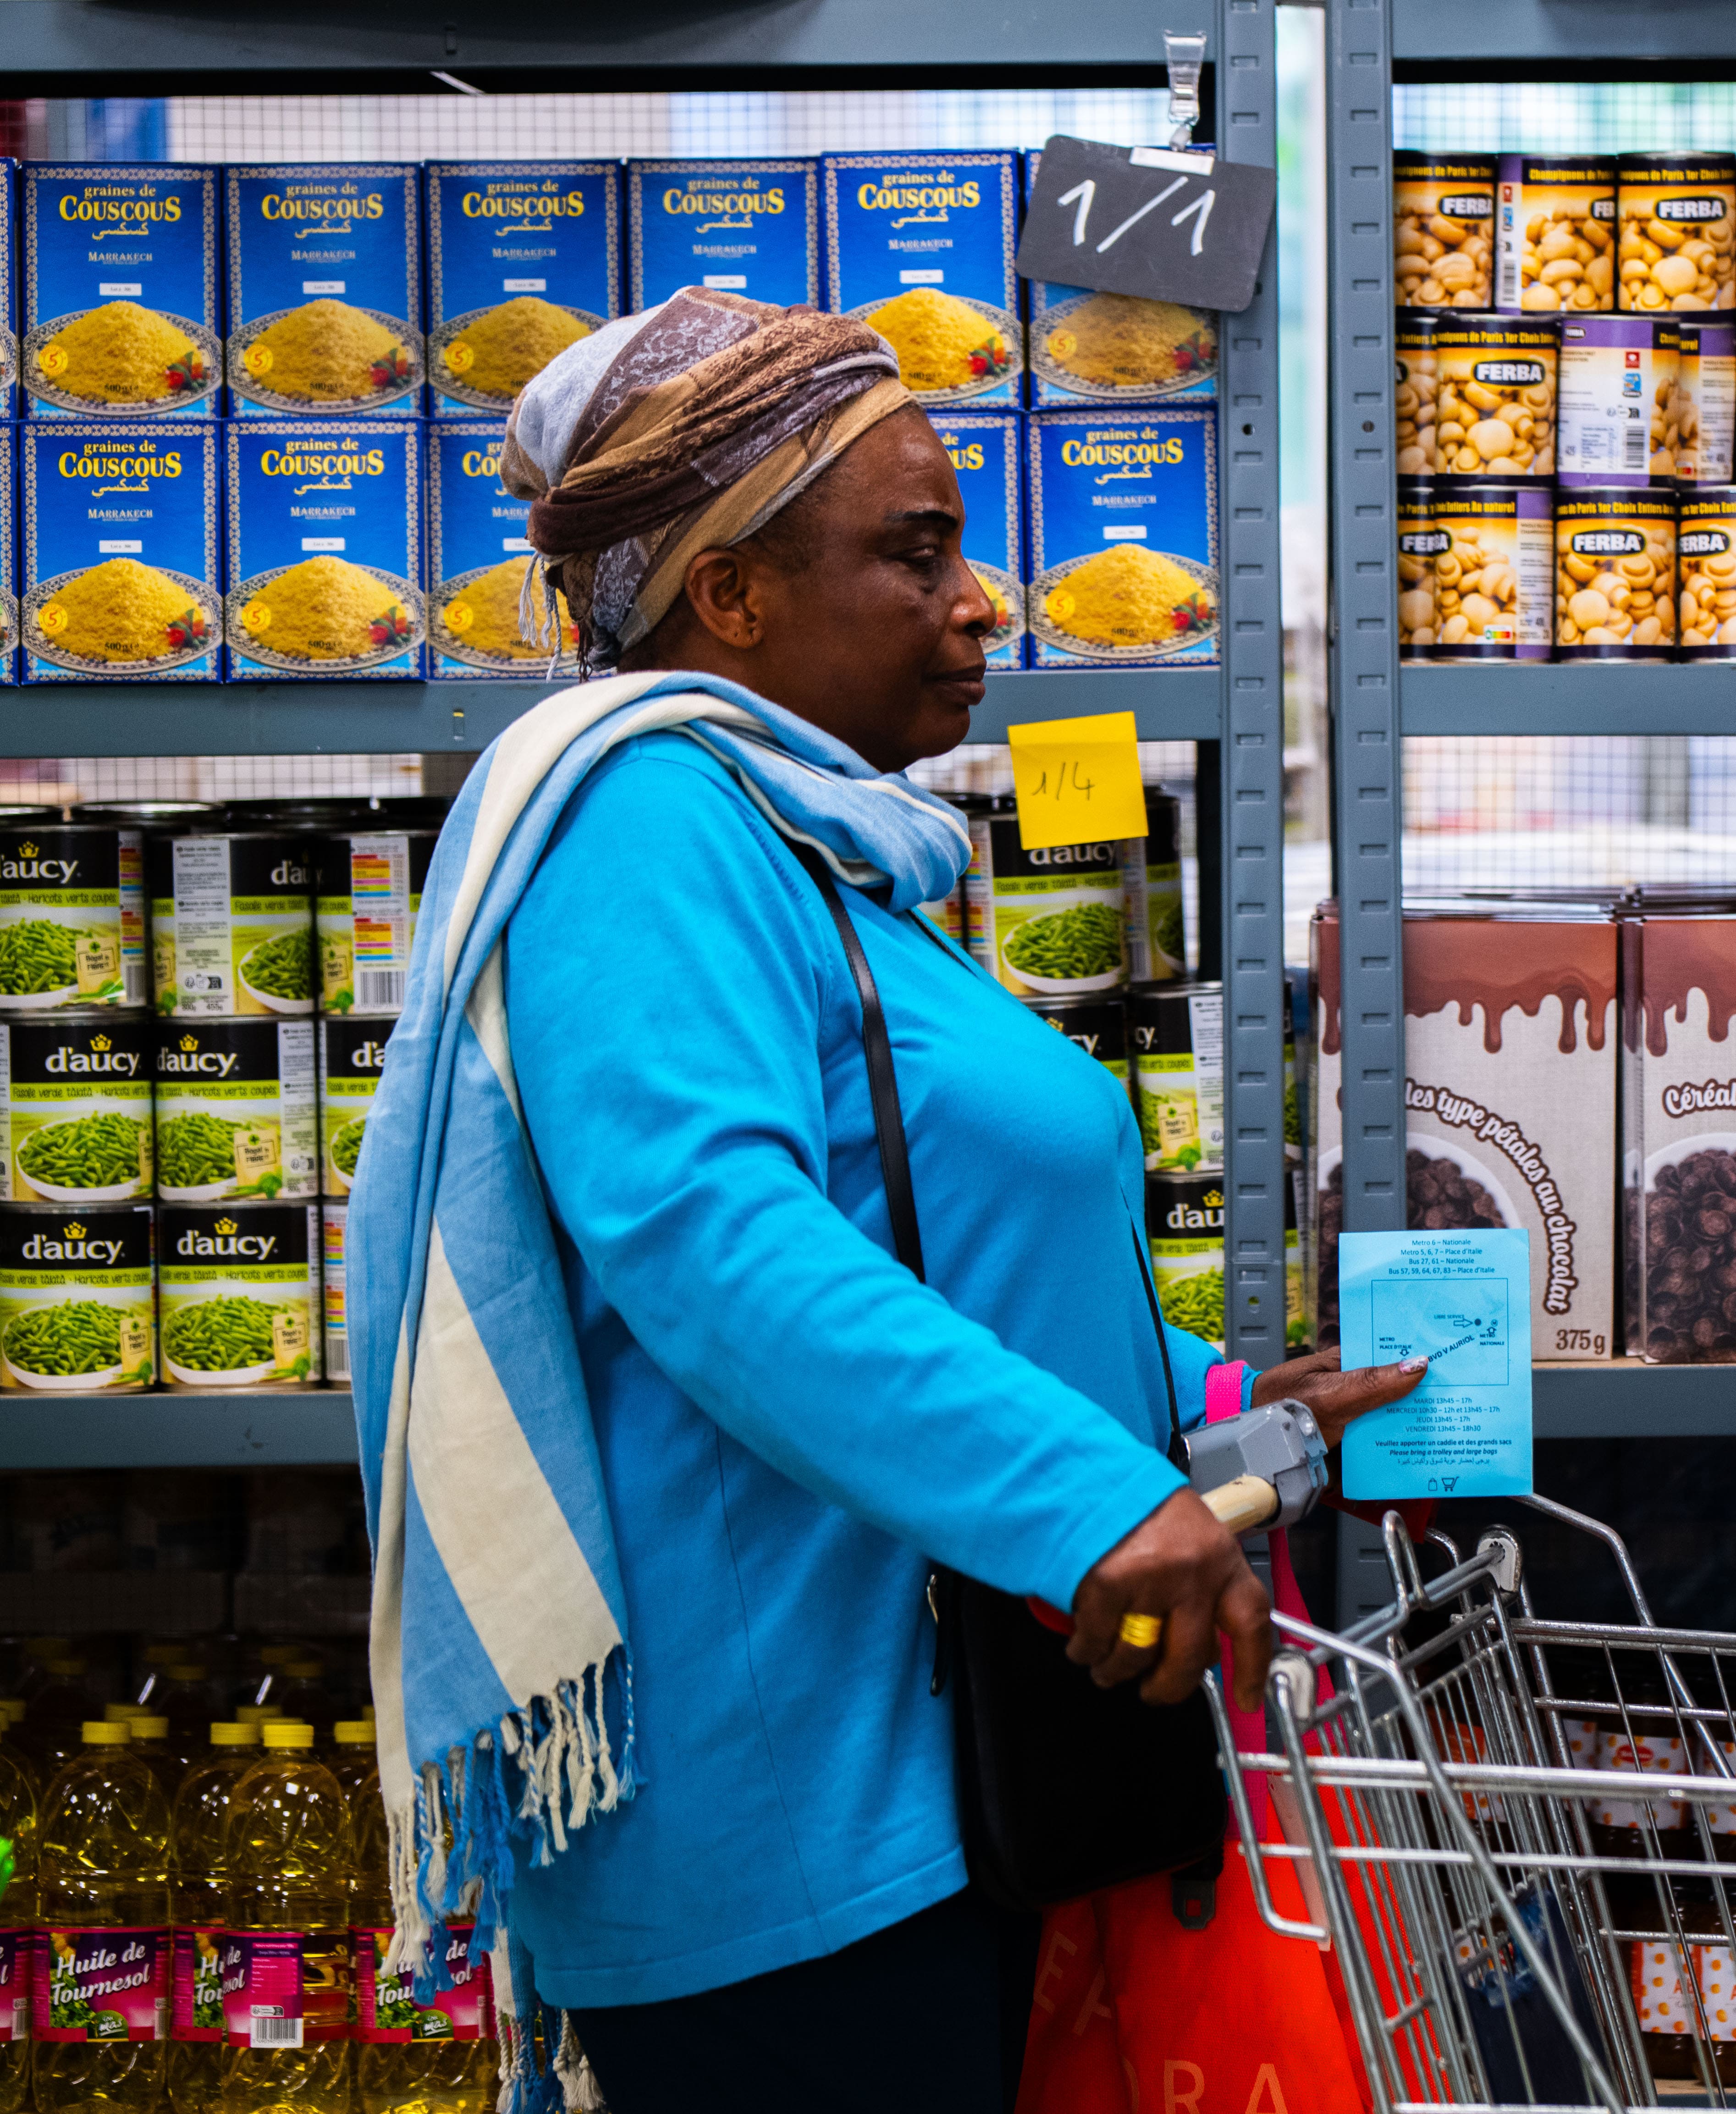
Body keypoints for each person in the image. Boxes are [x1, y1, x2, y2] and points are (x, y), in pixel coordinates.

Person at [346, 289, 1419, 2108]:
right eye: (916, 552)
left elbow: (929, 1248)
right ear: (732, 595)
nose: (982, 596)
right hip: (788, 1838)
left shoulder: (818, 847)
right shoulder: (647, 824)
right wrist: (1088, 1497)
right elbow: (716, 1245)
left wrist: (1211, 1405)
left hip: (924, 1795)